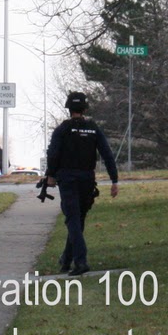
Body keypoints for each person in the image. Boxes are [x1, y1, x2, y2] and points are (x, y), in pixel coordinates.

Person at [44, 91, 119, 275]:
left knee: (73, 219)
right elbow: (107, 154)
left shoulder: (62, 129)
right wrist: (114, 180)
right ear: (85, 109)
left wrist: (50, 175)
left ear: (69, 109)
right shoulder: (93, 129)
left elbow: (53, 154)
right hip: (87, 180)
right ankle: (66, 259)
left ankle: (81, 261)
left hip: (68, 179)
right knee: (78, 219)